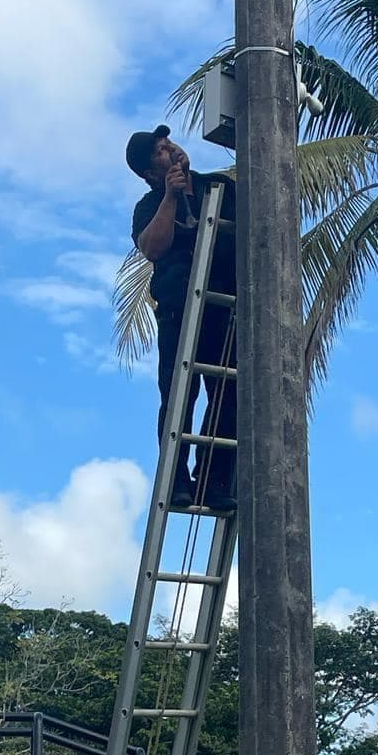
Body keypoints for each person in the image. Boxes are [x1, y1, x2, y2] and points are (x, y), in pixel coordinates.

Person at [126, 124, 237, 514]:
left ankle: (215, 480)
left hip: (225, 306)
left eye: (167, 143)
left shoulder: (220, 189)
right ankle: (177, 480)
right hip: (180, 308)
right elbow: (153, 247)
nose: (170, 149)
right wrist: (171, 196)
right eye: (159, 151)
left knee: (228, 395)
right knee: (179, 395)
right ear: (150, 174)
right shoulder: (148, 207)